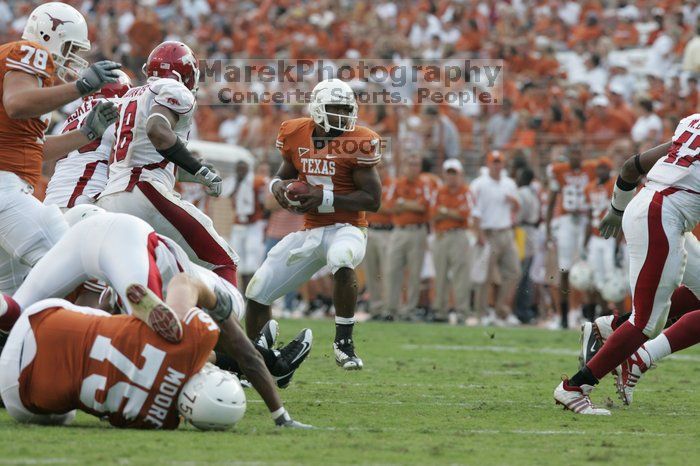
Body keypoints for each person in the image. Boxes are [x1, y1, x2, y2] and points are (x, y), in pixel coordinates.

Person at [0, 207, 313, 418]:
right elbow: (187, 290)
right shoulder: (212, 301)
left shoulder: (195, 329)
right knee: (157, 331)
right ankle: (151, 309)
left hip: (100, 243)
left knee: (19, 312)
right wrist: (279, 414)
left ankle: (149, 311)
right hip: (141, 257)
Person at [0, 278, 310, 429]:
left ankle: (122, 306)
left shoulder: (194, 341)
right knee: (67, 410)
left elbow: (187, 281)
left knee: (104, 324)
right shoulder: (157, 422)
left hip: (44, 321)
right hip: (22, 395)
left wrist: (219, 308)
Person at [553, 114, 700, 415]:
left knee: (647, 316)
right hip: (662, 217)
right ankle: (576, 387)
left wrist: (617, 209)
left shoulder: (691, 122)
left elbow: (631, 167)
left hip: (650, 207)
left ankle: (612, 328)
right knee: (646, 322)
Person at [245, 79, 382, 370]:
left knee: (341, 259)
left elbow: (372, 199)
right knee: (257, 291)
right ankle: (255, 361)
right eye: (335, 109)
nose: (342, 115)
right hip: (310, 230)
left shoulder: (360, 140)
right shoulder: (295, 132)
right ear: (317, 108)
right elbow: (283, 174)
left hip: (348, 228)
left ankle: (343, 343)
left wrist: (324, 196)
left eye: (346, 109)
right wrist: (277, 188)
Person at [0, 2, 121, 294]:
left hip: (8, 186)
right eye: (71, 48)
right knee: (84, 271)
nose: (75, 59)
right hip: (5, 190)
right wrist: (79, 87)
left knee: (13, 299)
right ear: (49, 35)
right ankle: (95, 340)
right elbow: (16, 105)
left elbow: (33, 150)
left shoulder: (31, 80)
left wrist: (86, 133)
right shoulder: (29, 53)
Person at [96, 41, 238, 284]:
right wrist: (199, 169)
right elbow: (157, 131)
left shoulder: (130, 95)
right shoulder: (174, 89)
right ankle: (223, 323)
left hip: (111, 197)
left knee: (139, 279)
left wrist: (191, 172)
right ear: (186, 74)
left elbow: (145, 152)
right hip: (145, 191)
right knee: (223, 261)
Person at [43, 70, 132, 210]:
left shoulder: (69, 119)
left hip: (51, 203)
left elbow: (51, 162)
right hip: (85, 200)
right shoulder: (116, 109)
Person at [545, 147, 597, 328]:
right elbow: (552, 199)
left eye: (578, 153)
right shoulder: (559, 171)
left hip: (583, 220)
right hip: (566, 220)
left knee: (584, 268)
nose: (576, 156)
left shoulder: (591, 169)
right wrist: (547, 227)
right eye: (573, 153)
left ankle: (583, 313)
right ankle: (564, 316)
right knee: (564, 268)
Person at [470, 151, 520, 323]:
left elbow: (516, 209)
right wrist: (479, 233)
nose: (497, 165)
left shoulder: (509, 184)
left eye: (499, 162)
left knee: (513, 272)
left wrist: (514, 203)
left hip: (506, 231)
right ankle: (481, 313)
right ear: (488, 163)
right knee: (484, 276)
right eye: (494, 162)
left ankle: (501, 310)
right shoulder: (479, 184)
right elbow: (474, 211)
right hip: (488, 232)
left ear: (503, 164)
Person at [383, 155, 432, 320]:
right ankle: (391, 309)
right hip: (398, 230)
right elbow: (389, 206)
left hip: (417, 231)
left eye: (416, 164)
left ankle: (409, 310)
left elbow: (424, 206)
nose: (413, 168)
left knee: (414, 272)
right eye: (410, 164)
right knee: (392, 270)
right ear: (405, 166)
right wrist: (412, 205)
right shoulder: (397, 183)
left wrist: (403, 203)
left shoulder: (425, 184)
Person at [430, 159, 472, 323]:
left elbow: (464, 214)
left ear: (460, 175)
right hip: (441, 235)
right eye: (449, 173)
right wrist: (452, 212)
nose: (451, 177)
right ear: (444, 174)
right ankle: (440, 312)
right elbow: (433, 214)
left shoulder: (466, 191)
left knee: (460, 276)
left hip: (459, 235)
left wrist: (445, 211)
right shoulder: (438, 192)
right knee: (440, 274)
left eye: (454, 173)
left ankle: (462, 312)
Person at [582, 157, 616, 321]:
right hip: (595, 238)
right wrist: (585, 242)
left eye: (604, 168)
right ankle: (595, 317)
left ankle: (611, 316)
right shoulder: (589, 187)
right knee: (596, 278)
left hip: (610, 238)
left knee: (611, 279)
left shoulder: (614, 185)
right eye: (599, 168)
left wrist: (618, 243)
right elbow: (589, 217)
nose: (601, 171)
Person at [229, 160, 267, 290]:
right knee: (239, 259)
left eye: (243, 169)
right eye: (238, 169)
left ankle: (253, 292)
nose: (240, 171)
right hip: (239, 225)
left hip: (254, 224)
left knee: (253, 258)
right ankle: (244, 292)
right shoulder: (234, 182)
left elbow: (264, 203)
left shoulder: (257, 182)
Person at [363, 159, 394, 318]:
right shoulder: (368, 184)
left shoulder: (391, 185)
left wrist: (372, 203)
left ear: (387, 169)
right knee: (371, 272)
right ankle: (375, 309)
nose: (379, 171)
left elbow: (390, 208)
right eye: (376, 168)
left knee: (387, 272)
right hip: (369, 229)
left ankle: (388, 309)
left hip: (386, 232)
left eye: (381, 168)